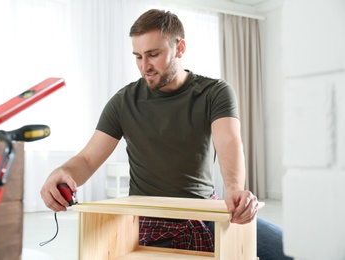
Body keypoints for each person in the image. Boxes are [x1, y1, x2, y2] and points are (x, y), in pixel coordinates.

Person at [40, 9, 292, 260]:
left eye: (153, 54)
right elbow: (86, 160)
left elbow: (228, 140)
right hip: (145, 220)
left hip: (206, 213)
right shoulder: (122, 102)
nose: (144, 66)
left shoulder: (215, 92)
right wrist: (62, 173)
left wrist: (235, 188)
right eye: (137, 56)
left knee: (291, 251)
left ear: (180, 48)